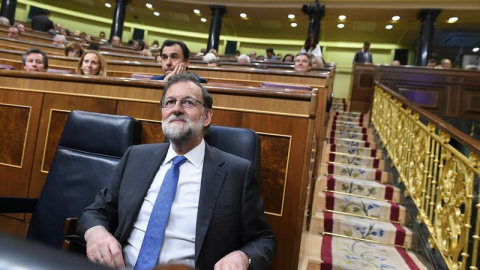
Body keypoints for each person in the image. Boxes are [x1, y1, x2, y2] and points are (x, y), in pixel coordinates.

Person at [76, 73, 277, 270]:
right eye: (170, 102)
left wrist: (243, 257)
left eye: (188, 102)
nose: (176, 109)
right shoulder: (136, 157)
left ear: (207, 116)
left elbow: (263, 239)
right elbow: (96, 210)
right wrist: (96, 233)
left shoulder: (237, 173)